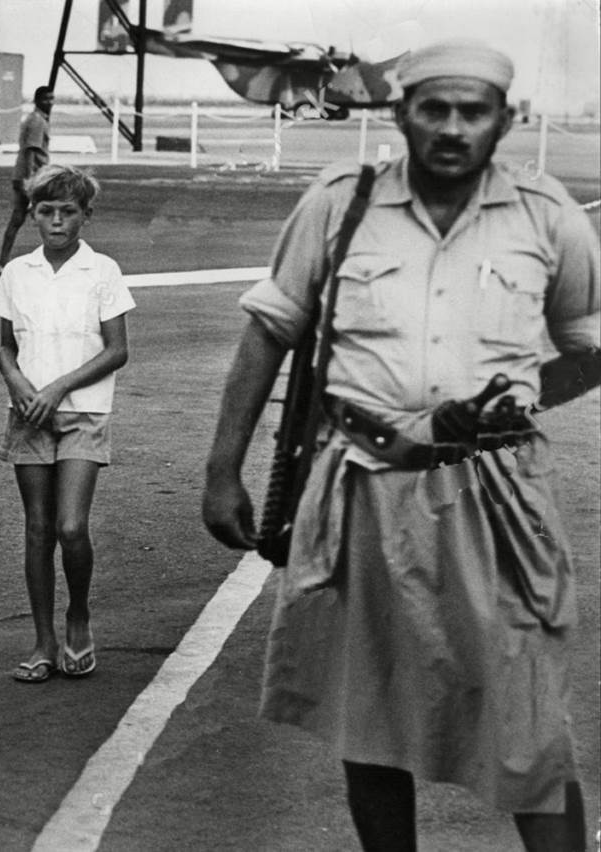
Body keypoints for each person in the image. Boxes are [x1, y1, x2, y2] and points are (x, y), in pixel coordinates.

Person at [201, 38, 597, 851]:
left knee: (529, 726)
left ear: (505, 121)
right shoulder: (341, 204)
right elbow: (270, 330)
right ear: (401, 114)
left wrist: (513, 406)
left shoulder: (545, 214)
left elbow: (588, 343)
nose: (452, 128)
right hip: (364, 490)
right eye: (434, 109)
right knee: (370, 721)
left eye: (472, 112)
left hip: (496, 498)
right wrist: (221, 470)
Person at [0, 164, 134, 684]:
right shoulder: (17, 273)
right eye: (46, 211)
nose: (56, 221)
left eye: (68, 212)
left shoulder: (103, 271)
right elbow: (5, 347)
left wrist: (57, 388)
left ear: (85, 215)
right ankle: (43, 641)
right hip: (29, 414)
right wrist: (18, 385)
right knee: (37, 529)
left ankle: (78, 614)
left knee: (71, 526)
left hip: (84, 412)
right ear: (32, 214)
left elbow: (116, 350)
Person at [0, 85, 54, 273]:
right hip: (32, 177)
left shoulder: (34, 118)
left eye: (51, 98)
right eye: (46, 99)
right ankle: (52, 260)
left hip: (22, 175)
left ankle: (2, 262)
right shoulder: (37, 121)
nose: (50, 102)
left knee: (18, 218)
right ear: (37, 100)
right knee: (51, 217)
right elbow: (31, 152)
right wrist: (29, 182)